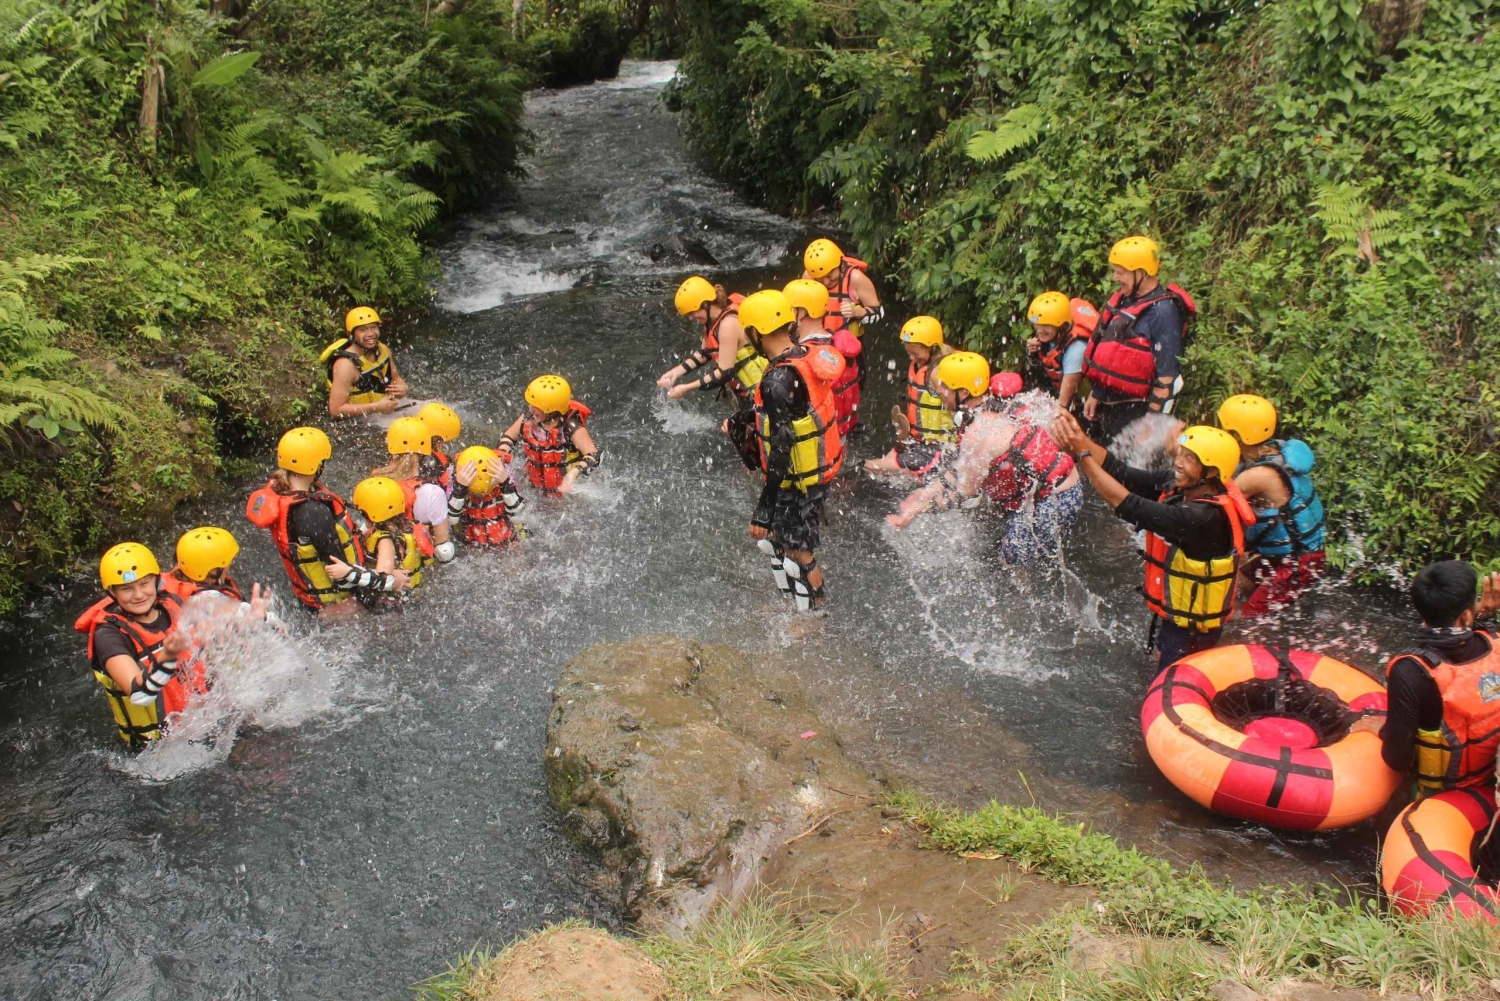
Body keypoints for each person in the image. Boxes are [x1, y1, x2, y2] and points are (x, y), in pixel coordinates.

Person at [1051, 412, 1253, 666]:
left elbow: (1128, 505)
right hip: (1177, 619)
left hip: (1191, 632)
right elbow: (1121, 472)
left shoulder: (1203, 517)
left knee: (1169, 678)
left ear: (1212, 472)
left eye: (1189, 459)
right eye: (1181, 453)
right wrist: (1081, 440)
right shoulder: (1181, 487)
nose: (1178, 463)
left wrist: (1081, 456)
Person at [887, 353, 1082, 565]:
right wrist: (927, 492)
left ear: (964, 392)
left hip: (1056, 501)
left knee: (1010, 563)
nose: (939, 391)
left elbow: (962, 491)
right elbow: (958, 468)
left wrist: (916, 510)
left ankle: (1024, 582)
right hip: (1063, 484)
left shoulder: (979, 433)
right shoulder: (997, 402)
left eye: (944, 387)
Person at [739, 289, 845, 611]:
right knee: (777, 541)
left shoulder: (777, 380)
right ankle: (793, 603)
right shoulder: (801, 355)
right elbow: (792, 413)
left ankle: (815, 614)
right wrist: (740, 421)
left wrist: (764, 507)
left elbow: (783, 446)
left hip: (798, 480)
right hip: (809, 473)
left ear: (756, 332)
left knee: (799, 551)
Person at [1364, 561, 1500, 795]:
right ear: (1467, 615)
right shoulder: (1495, 641)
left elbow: (1396, 759)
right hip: (1492, 777)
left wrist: (1382, 730)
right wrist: (1486, 620)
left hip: (1443, 793)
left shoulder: (1409, 670)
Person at [245, 426, 409, 615]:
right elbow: (342, 574)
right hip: (334, 606)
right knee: (399, 605)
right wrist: (388, 582)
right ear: (315, 465)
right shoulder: (313, 513)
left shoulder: (280, 491)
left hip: (308, 596)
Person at [1217, 394, 1327, 618]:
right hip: (1292, 557)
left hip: (1297, 563)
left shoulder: (1257, 476)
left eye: (1224, 430)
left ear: (1237, 436)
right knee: (1229, 589)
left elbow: (1213, 506)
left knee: (1245, 623)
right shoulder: (1278, 451)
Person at [74, 542, 193, 748]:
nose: (138, 595)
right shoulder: (108, 635)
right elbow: (140, 694)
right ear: (112, 592)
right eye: (126, 589)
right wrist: (166, 657)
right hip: (159, 749)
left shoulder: (172, 604)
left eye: (144, 583)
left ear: (156, 580)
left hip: (201, 720)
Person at [1082, 237, 1196, 443]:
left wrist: (1149, 427)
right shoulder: (1125, 300)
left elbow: (1168, 378)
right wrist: (1097, 393)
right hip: (1109, 409)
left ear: (1142, 272)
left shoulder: (1164, 312)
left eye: (1121, 272)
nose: (1115, 278)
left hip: (1136, 414)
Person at [802, 239, 882, 436]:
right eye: (820, 279)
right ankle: (825, 426)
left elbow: (878, 313)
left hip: (848, 348)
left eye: (830, 276)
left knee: (852, 386)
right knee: (818, 389)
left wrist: (858, 312)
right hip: (819, 346)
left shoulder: (856, 279)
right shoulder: (808, 277)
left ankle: (849, 425)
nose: (826, 282)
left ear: (839, 264)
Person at [864, 316, 954, 479]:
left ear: (933, 348)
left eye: (916, 353)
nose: (911, 358)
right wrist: (904, 436)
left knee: (871, 467)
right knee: (872, 466)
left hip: (936, 449)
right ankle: (917, 474)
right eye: (908, 353)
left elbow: (958, 411)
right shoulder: (920, 366)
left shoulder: (941, 374)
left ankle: (924, 475)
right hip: (917, 442)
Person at [660, 277, 767, 404]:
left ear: (706, 304)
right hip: (749, 395)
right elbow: (703, 354)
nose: (691, 318)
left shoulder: (728, 324)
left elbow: (724, 372)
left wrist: (687, 388)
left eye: (692, 312)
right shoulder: (711, 323)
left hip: (764, 392)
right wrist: (675, 372)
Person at [372, 416, 456, 563]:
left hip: (383, 560)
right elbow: (443, 550)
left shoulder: (376, 482)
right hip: (416, 565)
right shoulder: (433, 493)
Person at [499, 375, 599, 495]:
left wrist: (572, 475)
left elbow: (593, 456)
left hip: (565, 492)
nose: (530, 410)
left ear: (552, 411)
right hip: (534, 486)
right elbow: (509, 437)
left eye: (536, 407)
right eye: (530, 405)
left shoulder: (570, 427)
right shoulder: (528, 418)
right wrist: (502, 453)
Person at [351, 476, 428, 604]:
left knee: (330, 611)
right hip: (409, 596)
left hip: (391, 601)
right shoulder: (404, 526)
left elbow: (384, 578)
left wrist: (348, 573)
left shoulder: (385, 541)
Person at [323, 306, 409, 419]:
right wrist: (377, 407)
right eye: (363, 330)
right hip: (358, 421)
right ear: (351, 334)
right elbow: (335, 410)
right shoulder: (345, 365)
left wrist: (402, 387)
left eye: (373, 328)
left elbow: (395, 378)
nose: (370, 334)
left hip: (385, 411)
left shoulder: (383, 349)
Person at [1024, 291, 1098, 412]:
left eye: (1045, 325)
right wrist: (1032, 353)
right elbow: (1040, 370)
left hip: (1089, 404)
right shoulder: (1052, 336)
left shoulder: (1076, 350)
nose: (1039, 330)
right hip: (1066, 392)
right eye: (1037, 324)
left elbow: (1063, 403)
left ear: (1062, 326)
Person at [448, 445, 524, 546]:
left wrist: (505, 484)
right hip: (472, 542)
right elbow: (451, 520)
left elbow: (518, 517)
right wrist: (460, 489)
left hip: (507, 541)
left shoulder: (503, 475)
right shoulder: (457, 481)